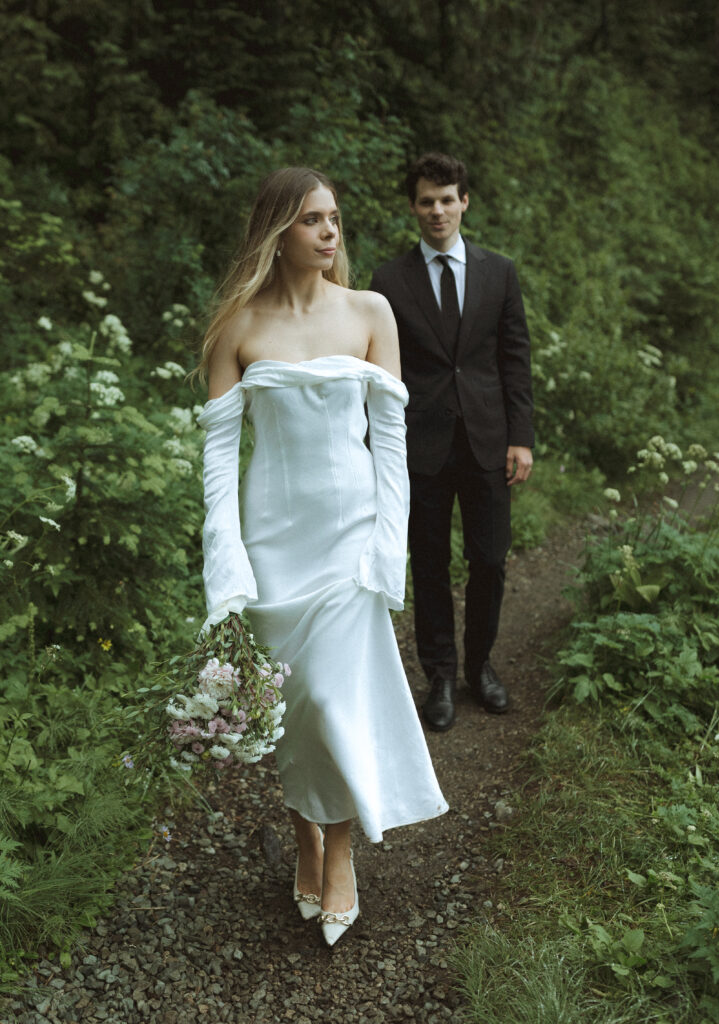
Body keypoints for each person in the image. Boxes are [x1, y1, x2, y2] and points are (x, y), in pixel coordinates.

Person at [194, 167, 447, 947]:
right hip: (273, 544)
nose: (330, 232)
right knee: (293, 710)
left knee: (335, 699)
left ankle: (339, 851)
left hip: (349, 536)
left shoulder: (371, 313)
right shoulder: (236, 325)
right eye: (312, 219)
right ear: (278, 230)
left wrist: (388, 543)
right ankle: (304, 828)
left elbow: (392, 443)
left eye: (334, 217)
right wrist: (224, 560)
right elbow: (217, 458)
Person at [370, 152, 534, 732]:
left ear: (464, 201)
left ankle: (480, 666)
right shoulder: (389, 281)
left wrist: (522, 437)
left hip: (489, 440)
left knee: (488, 559)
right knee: (431, 563)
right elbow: (381, 371)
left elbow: (515, 359)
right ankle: (439, 675)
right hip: (421, 445)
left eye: (447, 199)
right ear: (413, 208)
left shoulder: (499, 272)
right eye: (425, 201)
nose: (437, 211)